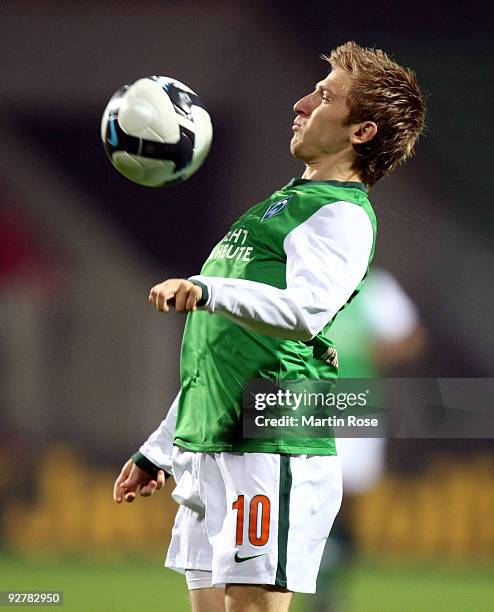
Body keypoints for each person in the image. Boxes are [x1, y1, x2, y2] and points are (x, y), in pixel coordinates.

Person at [113, 41, 426, 612]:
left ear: (361, 133)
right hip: (213, 438)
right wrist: (159, 449)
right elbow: (221, 353)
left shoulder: (341, 214)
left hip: (272, 441)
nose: (302, 102)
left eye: (325, 96)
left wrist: (209, 288)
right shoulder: (284, 205)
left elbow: (307, 311)